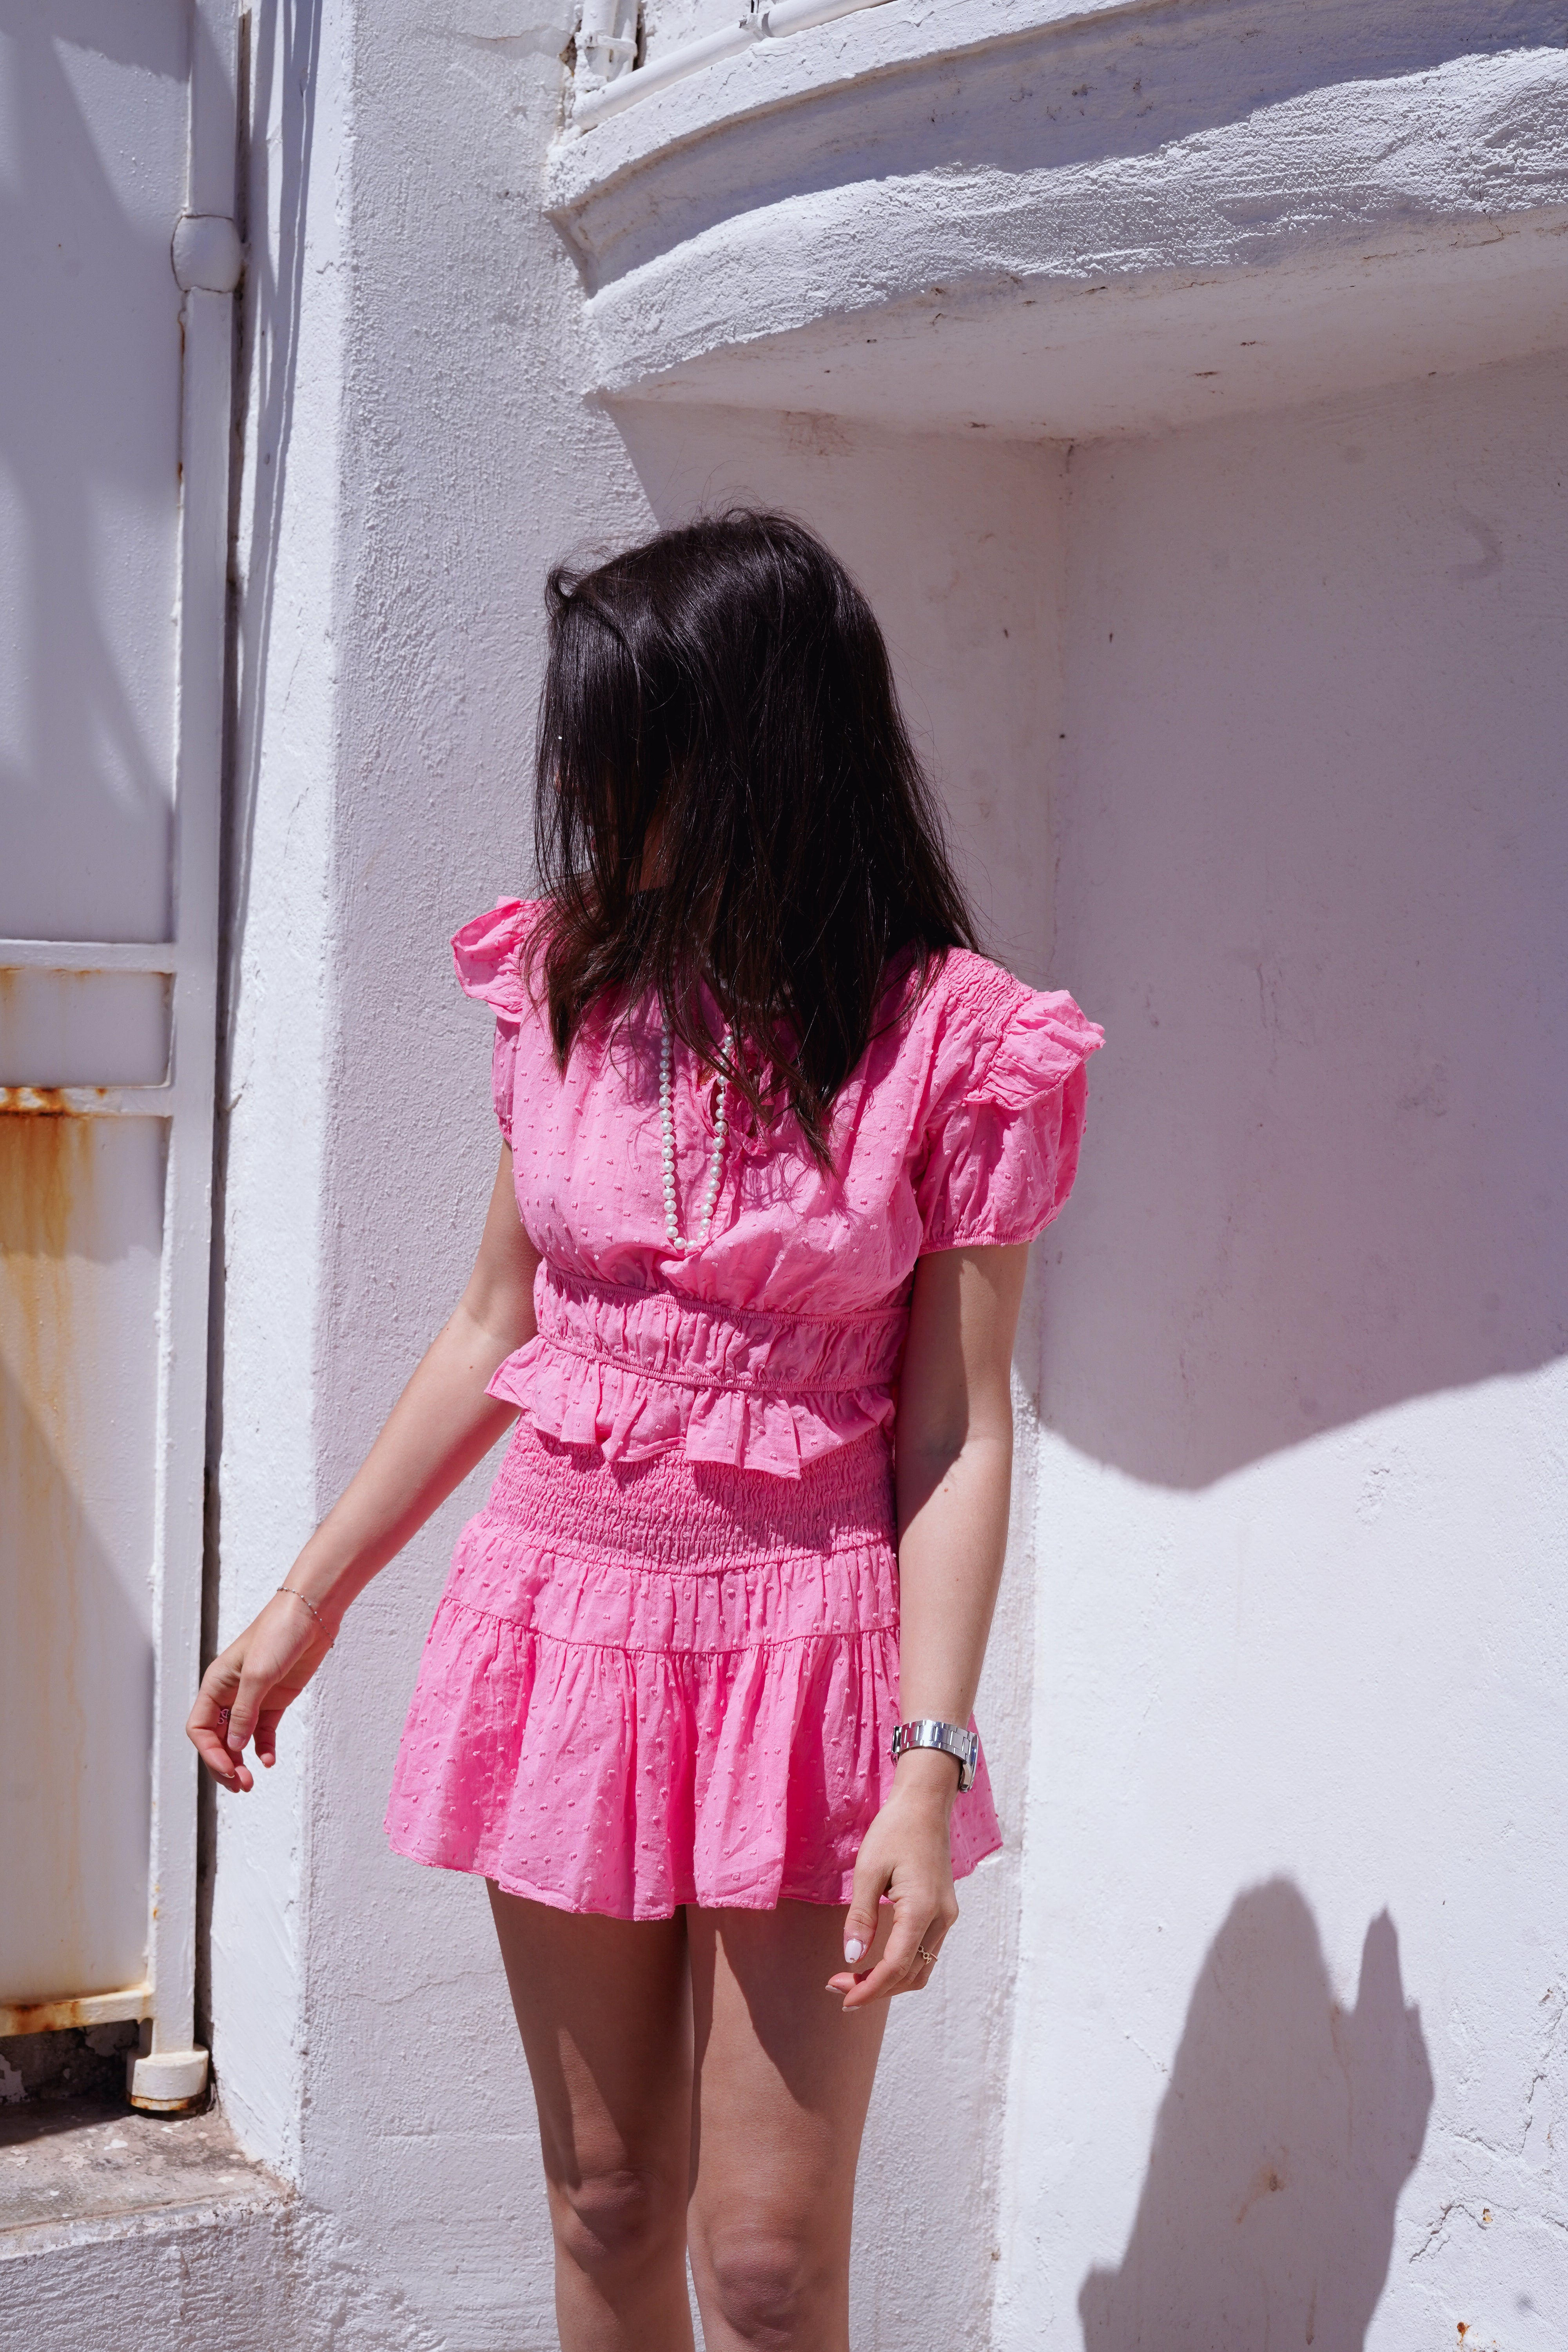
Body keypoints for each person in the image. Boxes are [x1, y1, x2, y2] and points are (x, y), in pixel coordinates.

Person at [189, 510, 1102, 2352]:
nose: (590, 799)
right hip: (563, 1624)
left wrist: (927, 1763)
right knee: (607, 2201)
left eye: (623, 752)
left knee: (765, 2264)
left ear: (755, 753)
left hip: (809, 1654)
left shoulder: (958, 1044)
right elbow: (493, 1323)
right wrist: (307, 1599)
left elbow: (952, 1432)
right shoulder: (569, 982)